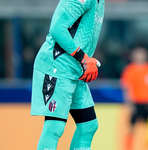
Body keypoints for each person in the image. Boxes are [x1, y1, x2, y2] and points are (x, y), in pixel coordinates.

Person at [30, 0, 105, 149]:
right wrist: (83, 57)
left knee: (88, 126)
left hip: (75, 70)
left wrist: (86, 59)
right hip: (57, 67)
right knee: (54, 128)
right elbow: (57, 28)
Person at [120, 47, 148, 150]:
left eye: (142, 54)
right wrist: (129, 103)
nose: (140, 56)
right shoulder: (130, 69)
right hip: (135, 102)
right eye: (138, 54)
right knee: (131, 128)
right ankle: (128, 147)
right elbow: (127, 88)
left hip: (147, 102)